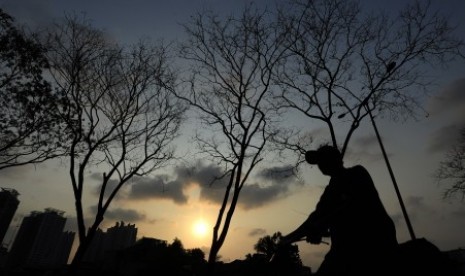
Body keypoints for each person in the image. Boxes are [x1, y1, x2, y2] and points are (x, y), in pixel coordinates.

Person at [281, 145, 398, 275]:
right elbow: (315, 217)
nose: (320, 165)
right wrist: (289, 237)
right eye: (319, 162)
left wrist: (319, 225)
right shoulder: (330, 191)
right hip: (344, 249)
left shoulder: (357, 173)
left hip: (373, 242)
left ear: (335, 160)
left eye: (323, 160)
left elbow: (353, 204)